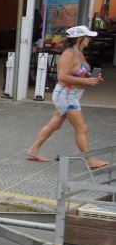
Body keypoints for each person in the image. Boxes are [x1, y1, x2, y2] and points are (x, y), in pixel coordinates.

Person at [26, 25, 109, 169]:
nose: (89, 39)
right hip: (66, 95)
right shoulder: (69, 54)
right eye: (87, 37)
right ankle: (90, 161)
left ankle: (33, 150)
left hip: (71, 95)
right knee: (82, 127)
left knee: (55, 124)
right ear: (79, 39)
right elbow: (62, 77)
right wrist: (85, 81)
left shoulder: (79, 53)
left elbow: (76, 71)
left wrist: (90, 76)